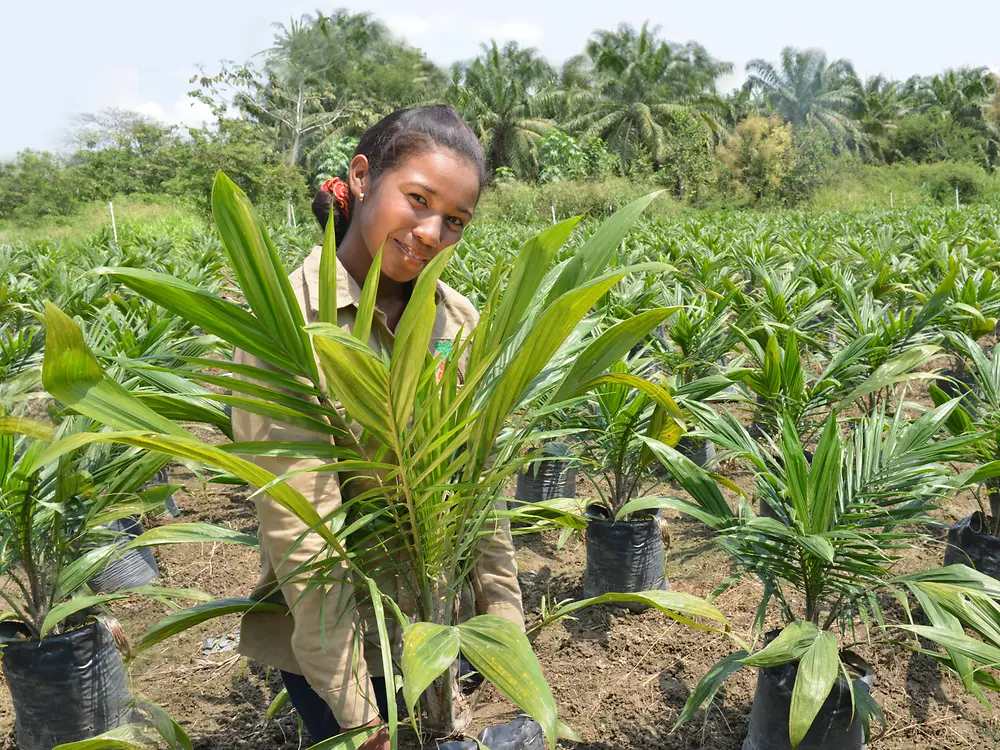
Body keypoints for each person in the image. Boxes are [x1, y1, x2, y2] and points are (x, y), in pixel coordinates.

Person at [230, 105, 524, 750]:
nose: (430, 233)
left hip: (439, 624)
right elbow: (304, 534)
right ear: (362, 177)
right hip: (345, 643)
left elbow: (480, 485)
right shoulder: (289, 327)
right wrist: (360, 715)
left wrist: (501, 620)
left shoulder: (456, 321)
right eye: (417, 200)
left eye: (455, 221)